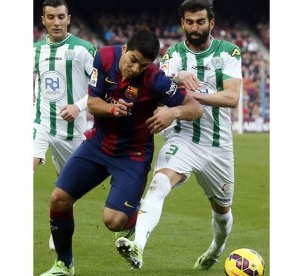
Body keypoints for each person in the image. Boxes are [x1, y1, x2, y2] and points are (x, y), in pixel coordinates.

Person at [40, 29, 203, 276]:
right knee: (58, 199)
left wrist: (173, 113)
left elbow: (195, 108)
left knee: (113, 222)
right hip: (98, 145)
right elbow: (93, 103)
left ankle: (132, 215)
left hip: (133, 154)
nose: (136, 68)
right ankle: (64, 264)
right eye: (134, 60)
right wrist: (112, 109)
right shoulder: (104, 57)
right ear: (125, 49)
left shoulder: (155, 80)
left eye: (143, 65)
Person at [115, 0, 243, 271]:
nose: (194, 27)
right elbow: (157, 89)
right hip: (182, 138)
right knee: (160, 183)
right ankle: (137, 245)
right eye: (189, 22)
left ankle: (216, 249)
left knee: (222, 211)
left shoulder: (228, 52)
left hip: (218, 145)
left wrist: (189, 95)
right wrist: (172, 92)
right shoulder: (172, 56)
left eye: (200, 22)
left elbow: (232, 97)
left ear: (212, 22)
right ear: (182, 23)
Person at [33, 0, 96, 250]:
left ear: (69, 18)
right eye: (51, 17)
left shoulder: (83, 49)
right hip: (40, 123)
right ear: (43, 20)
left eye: (61, 16)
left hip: (73, 132)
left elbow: (100, 89)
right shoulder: (34, 51)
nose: (56, 22)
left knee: (68, 187)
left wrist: (77, 106)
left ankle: (58, 226)